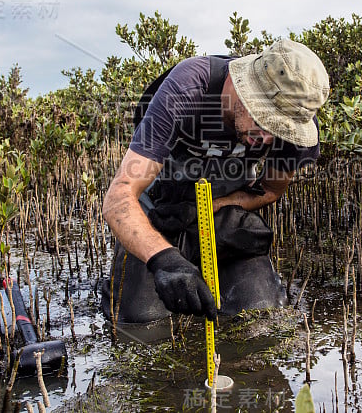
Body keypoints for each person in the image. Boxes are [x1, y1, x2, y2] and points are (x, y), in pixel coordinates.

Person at [101, 38, 329, 324]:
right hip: (159, 207)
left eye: (279, 128)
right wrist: (164, 259)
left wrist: (213, 206)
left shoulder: (296, 118)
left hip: (220, 214)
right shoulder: (186, 89)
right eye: (263, 120)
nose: (268, 138)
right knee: (141, 320)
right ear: (239, 86)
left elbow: (270, 190)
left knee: (259, 313)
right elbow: (118, 198)